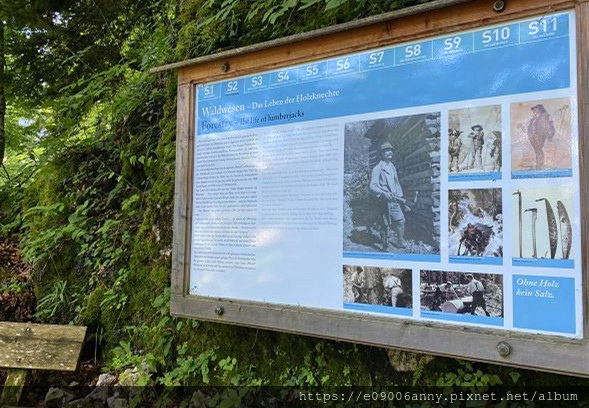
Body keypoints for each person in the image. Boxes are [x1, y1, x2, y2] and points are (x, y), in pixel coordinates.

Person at [370, 142, 410, 250]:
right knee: (385, 224)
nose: (390, 152)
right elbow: (372, 186)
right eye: (387, 150)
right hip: (383, 201)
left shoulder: (392, 166)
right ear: (382, 153)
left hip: (394, 200)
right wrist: (383, 193)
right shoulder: (377, 168)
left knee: (401, 220)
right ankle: (384, 246)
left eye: (390, 150)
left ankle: (400, 242)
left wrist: (400, 197)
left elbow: (396, 183)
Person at [524, 104, 555, 169]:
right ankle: (539, 164)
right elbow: (529, 129)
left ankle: (539, 164)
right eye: (534, 110)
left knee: (538, 150)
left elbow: (550, 127)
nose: (534, 111)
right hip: (533, 137)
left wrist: (550, 136)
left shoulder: (546, 117)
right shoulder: (532, 120)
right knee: (537, 151)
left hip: (540, 136)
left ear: (540, 110)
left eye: (536, 109)